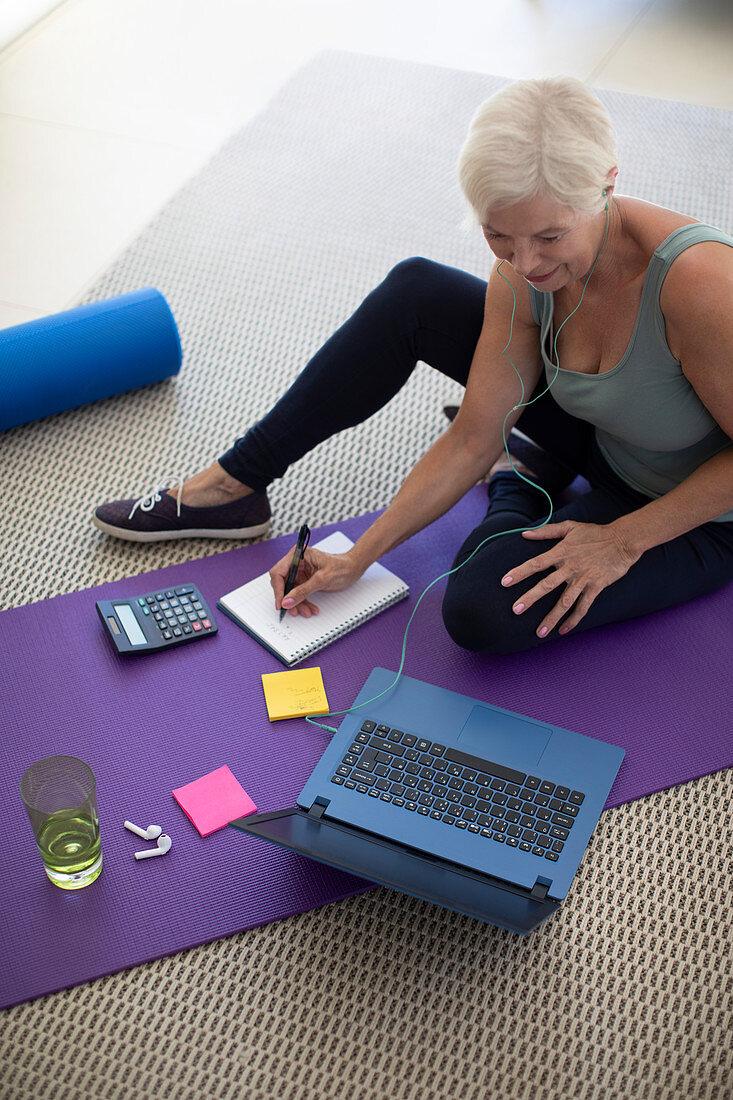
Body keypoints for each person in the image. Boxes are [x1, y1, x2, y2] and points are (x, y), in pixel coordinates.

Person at [93, 76, 733, 654]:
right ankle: (235, 485)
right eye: (498, 236)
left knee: (480, 610)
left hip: (703, 509)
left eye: (548, 237)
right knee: (417, 292)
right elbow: (471, 437)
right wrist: (357, 557)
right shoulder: (523, 272)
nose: (525, 264)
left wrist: (623, 539)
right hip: (608, 439)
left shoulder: (699, 281)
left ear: (607, 186)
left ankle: (520, 479)